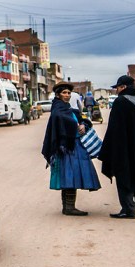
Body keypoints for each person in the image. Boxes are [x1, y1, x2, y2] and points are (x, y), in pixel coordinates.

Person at [41, 82, 101, 216]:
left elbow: (83, 120)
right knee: (70, 176)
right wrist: (75, 127)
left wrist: (84, 125)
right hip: (66, 148)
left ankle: (67, 207)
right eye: (64, 93)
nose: (67, 95)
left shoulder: (69, 109)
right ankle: (69, 207)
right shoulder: (57, 110)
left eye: (68, 93)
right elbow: (61, 125)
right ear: (58, 95)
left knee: (70, 176)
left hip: (74, 147)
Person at [99, 75, 135, 219]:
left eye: (117, 87)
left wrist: (107, 149)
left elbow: (113, 128)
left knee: (124, 176)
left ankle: (128, 209)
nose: (116, 90)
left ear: (123, 87)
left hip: (122, 146)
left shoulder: (120, 102)